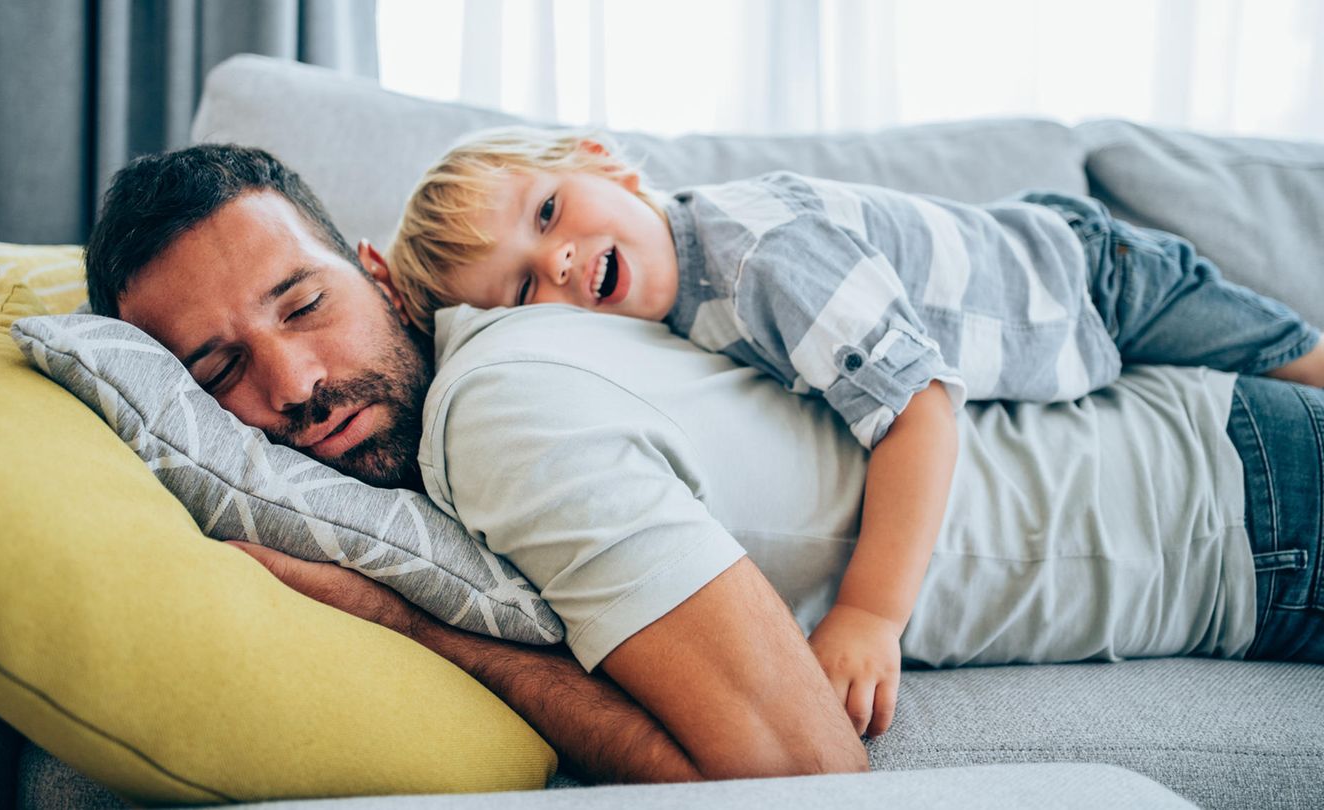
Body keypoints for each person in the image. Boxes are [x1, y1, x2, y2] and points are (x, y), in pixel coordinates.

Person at [86, 143, 1323, 785]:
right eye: (214, 375)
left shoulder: (500, 415)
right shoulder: (520, 347)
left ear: (379, 274)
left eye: (303, 304)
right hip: (1234, 481)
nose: (292, 388)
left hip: (1258, 509)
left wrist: (410, 624)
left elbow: (795, 779)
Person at [381, 126, 1324, 737]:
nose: (562, 261)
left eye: (549, 213)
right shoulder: (654, 322)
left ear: (607, 164)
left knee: (1293, 353)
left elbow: (921, 412)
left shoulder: (761, 262)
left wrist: (870, 616)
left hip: (1095, 278)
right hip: (1059, 307)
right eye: (520, 290)